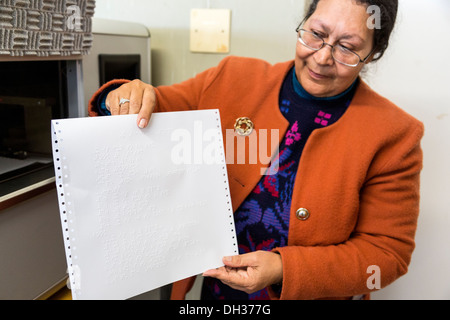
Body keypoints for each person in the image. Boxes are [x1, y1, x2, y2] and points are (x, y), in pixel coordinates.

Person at [88, 0, 424, 300]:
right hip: (217, 294)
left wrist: (283, 268)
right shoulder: (232, 78)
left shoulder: (394, 135)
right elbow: (157, 109)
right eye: (316, 34)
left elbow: (386, 253)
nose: (322, 57)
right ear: (304, 21)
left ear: (373, 53)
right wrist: (119, 97)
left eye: (348, 48)